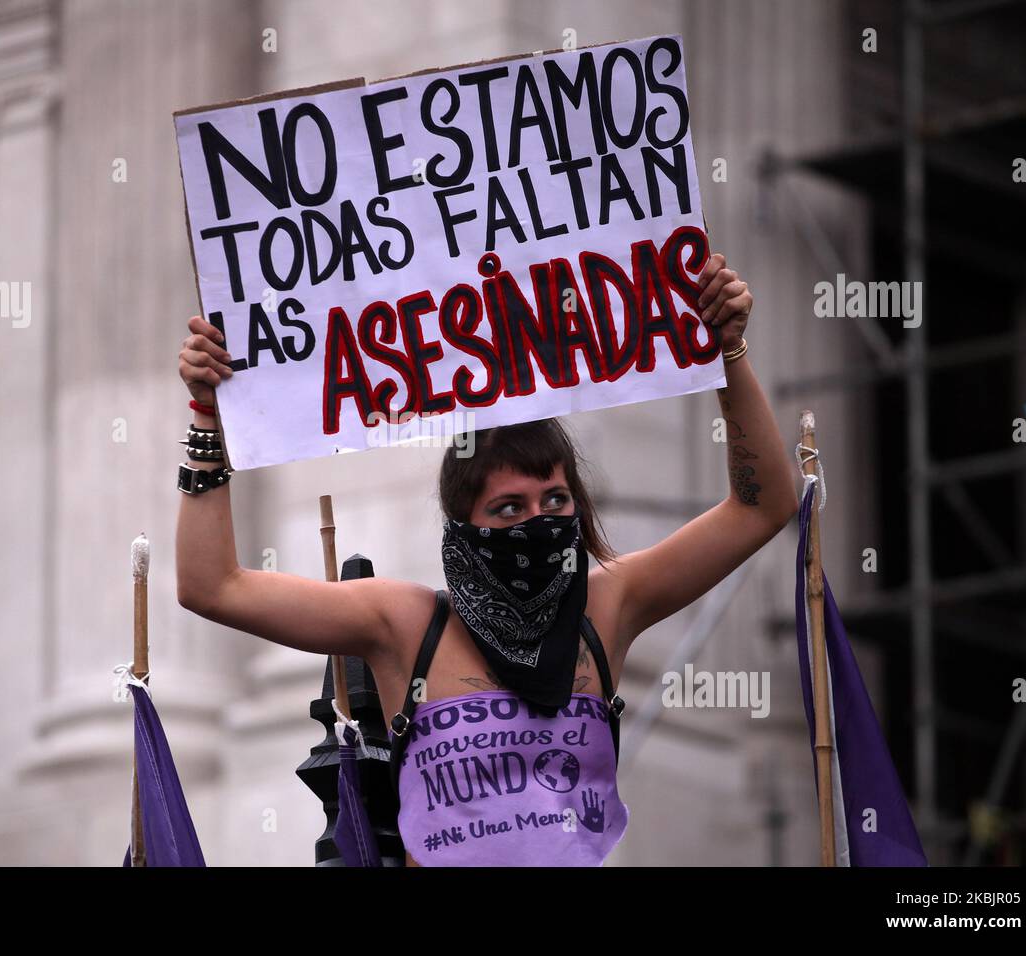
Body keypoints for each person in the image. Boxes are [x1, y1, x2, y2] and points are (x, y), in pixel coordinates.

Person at [175, 253, 799, 866]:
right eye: (508, 509)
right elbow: (213, 587)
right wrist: (209, 415)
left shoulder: (609, 605)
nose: (538, 521)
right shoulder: (404, 625)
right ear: (463, 526)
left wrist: (726, 354)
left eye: (555, 499)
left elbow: (762, 507)